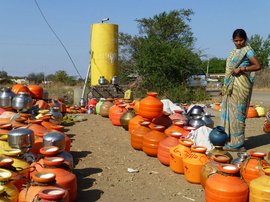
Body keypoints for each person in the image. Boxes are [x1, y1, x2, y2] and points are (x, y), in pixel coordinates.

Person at [221, 28, 261, 151]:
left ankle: (238, 144)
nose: (238, 43)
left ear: (245, 39)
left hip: (241, 86)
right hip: (231, 86)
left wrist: (242, 69)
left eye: (241, 40)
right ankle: (229, 140)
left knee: (238, 113)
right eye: (236, 40)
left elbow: (257, 65)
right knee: (230, 113)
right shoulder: (234, 51)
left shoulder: (247, 50)